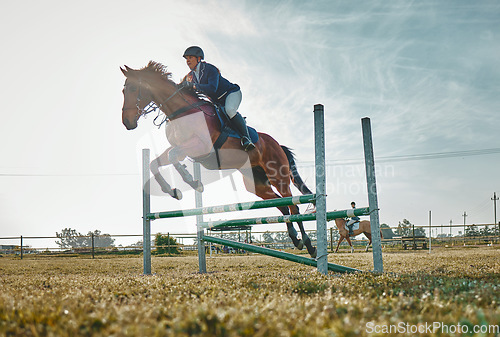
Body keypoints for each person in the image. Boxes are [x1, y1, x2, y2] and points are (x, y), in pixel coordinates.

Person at [180, 46, 255, 151]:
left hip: (230, 93)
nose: (188, 61)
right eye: (186, 58)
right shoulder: (190, 76)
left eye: (190, 57)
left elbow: (212, 88)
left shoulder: (210, 69)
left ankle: (246, 138)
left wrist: (193, 86)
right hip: (217, 102)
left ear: (199, 58)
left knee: (230, 110)